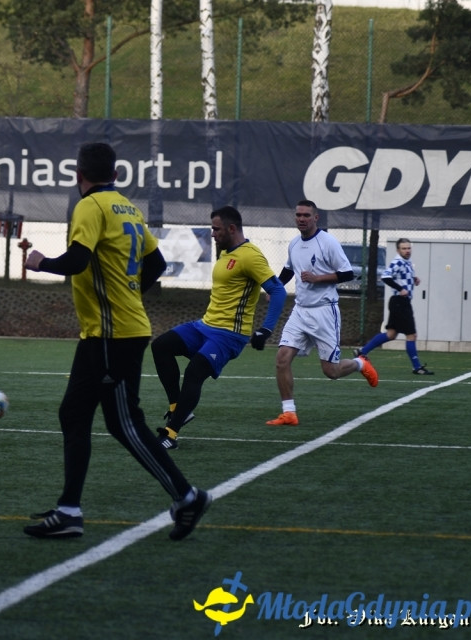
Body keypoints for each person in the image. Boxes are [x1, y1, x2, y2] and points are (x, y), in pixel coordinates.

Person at [22, 142, 210, 542]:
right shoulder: (127, 207)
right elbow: (156, 264)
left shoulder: (90, 207)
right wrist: (128, 292)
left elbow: (77, 261)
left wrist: (41, 263)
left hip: (113, 335)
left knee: (125, 424)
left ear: (78, 176)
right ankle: (69, 510)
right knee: (74, 413)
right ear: (117, 175)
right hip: (106, 333)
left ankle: (186, 496)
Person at [152, 206, 287, 449]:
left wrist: (266, 329)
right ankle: (177, 408)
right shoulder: (226, 253)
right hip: (204, 326)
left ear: (231, 228)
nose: (212, 233)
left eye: (216, 229)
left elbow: (277, 290)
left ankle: (170, 434)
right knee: (160, 346)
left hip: (229, 336)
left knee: (195, 372)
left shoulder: (250, 255)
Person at [265, 200, 379, 426]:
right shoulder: (294, 243)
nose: (301, 218)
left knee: (331, 371)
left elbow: (347, 274)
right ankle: (289, 412)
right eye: (298, 214)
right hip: (300, 311)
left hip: (325, 311)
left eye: (306, 215)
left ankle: (360, 364)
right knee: (282, 358)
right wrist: (275, 287)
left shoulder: (328, 242)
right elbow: (289, 269)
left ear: (316, 218)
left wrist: (318, 278)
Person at [355, 238, 433, 375]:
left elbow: (400, 277)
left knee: (391, 334)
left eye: (409, 248)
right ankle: (417, 367)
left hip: (400, 302)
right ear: (398, 250)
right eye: (404, 248)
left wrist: (414, 279)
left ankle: (362, 351)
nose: (407, 251)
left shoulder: (406, 262)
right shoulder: (397, 261)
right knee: (411, 335)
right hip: (400, 302)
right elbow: (385, 277)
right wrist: (400, 289)